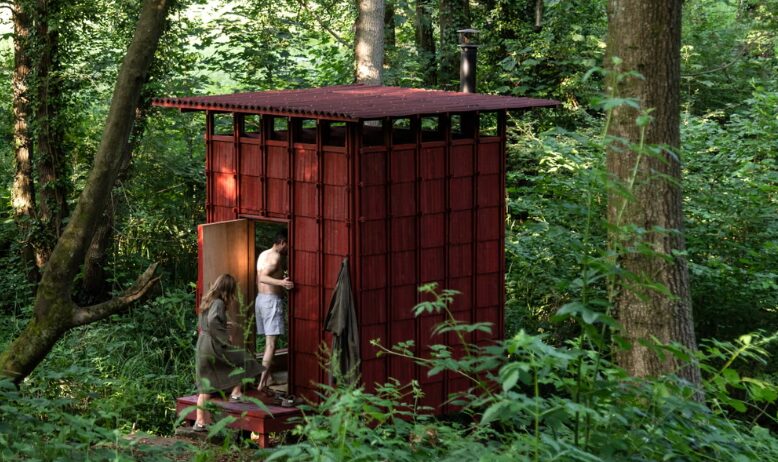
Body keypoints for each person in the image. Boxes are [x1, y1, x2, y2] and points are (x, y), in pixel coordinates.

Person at [194, 274, 263, 432]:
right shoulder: (218, 302)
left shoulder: (208, 300)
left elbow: (207, 321)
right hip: (213, 345)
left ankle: (199, 423)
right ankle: (236, 393)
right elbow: (212, 321)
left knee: (206, 386)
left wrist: (224, 325)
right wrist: (224, 337)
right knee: (244, 358)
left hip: (203, 344)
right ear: (228, 289)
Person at [255, 229, 294, 394]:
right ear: (283, 242)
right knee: (271, 344)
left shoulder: (264, 253)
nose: (288, 249)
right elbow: (263, 277)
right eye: (288, 245)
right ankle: (262, 384)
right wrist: (282, 283)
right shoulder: (276, 257)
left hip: (260, 300)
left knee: (268, 343)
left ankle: (268, 377)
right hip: (270, 302)